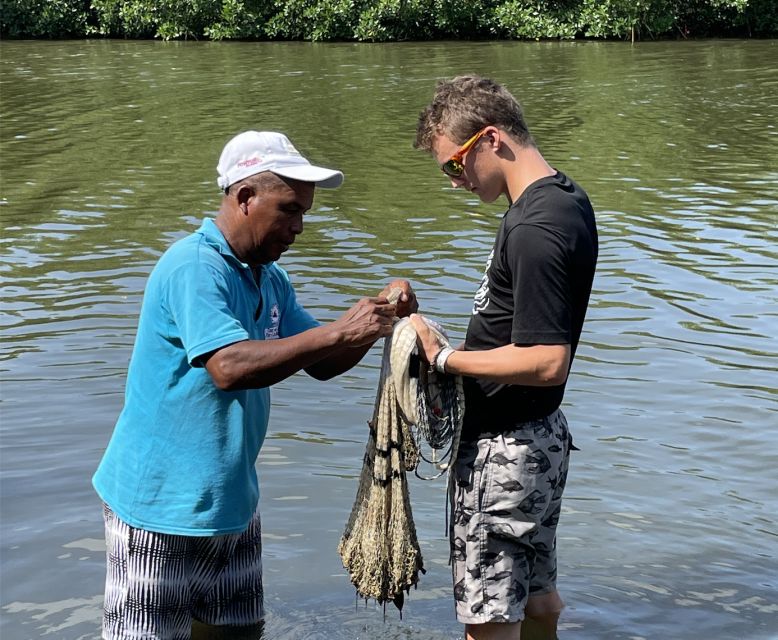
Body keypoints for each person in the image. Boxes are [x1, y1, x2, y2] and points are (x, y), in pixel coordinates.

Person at [92, 130, 417, 640]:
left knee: (240, 631)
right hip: (160, 507)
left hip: (231, 501)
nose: (299, 227)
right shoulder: (194, 266)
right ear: (245, 198)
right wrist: (340, 330)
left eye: (303, 213)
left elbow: (322, 362)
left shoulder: (269, 278)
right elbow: (228, 367)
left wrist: (377, 321)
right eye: (288, 210)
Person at [409, 76, 598, 640]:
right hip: (539, 438)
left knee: (488, 622)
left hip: (504, 456)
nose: (455, 180)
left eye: (454, 164)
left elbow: (545, 361)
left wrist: (443, 359)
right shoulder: (562, 199)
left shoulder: (537, 227)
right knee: (538, 600)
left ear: (491, 138)